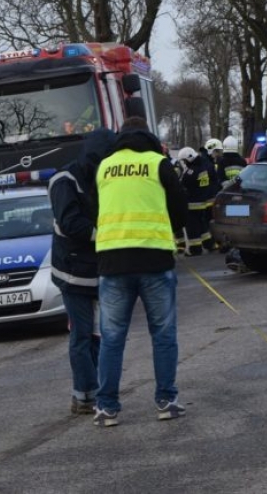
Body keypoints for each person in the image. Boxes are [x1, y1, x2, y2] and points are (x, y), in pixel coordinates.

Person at [93, 116, 187, 427]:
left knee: (111, 338)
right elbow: (180, 210)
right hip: (154, 261)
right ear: (147, 135)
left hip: (112, 263)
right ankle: (166, 401)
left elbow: (98, 209)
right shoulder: (158, 163)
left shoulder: (104, 167)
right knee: (162, 335)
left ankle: (106, 407)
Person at [49, 129, 117, 415]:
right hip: (73, 273)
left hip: (101, 270)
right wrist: (109, 235)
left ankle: (96, 391)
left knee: (99, 336)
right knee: (82, 336)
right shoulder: (64, 180)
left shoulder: (108, 176)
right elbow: (70, 223)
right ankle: (84, 395)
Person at [176, 146, 218, 255]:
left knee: (192, 227)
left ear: (189, 158)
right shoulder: (202, 167)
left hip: (192, 204)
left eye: (184, 160)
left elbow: (183, 185)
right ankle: (209, 244)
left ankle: (195, 249)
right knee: (202, 225)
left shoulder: (191, 172)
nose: (184, 163)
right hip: (202, 203)